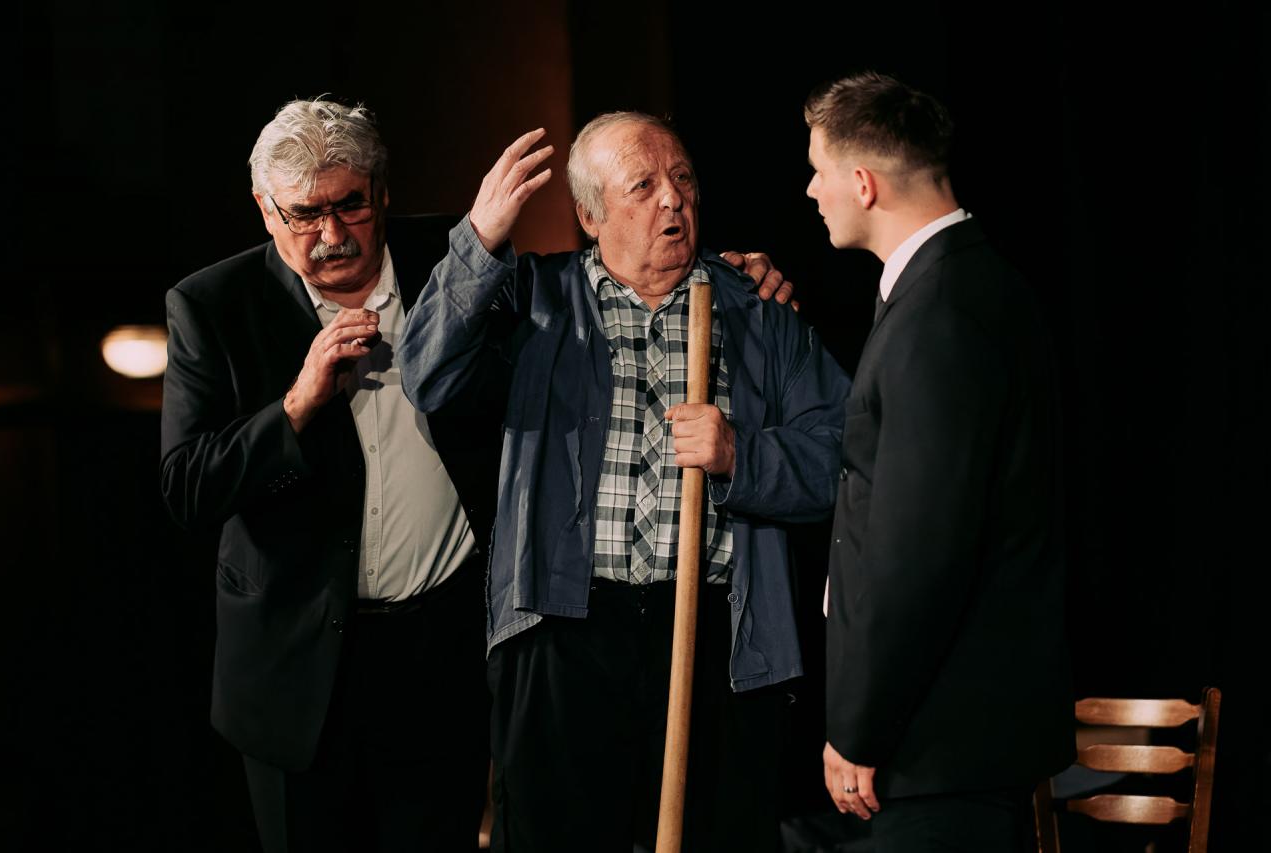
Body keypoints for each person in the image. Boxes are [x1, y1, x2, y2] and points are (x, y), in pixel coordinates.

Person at [398, 113, 850, 852]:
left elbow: (844, 458)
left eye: (684, 179)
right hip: (563, 631)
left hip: (715, 636)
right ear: (590, 216)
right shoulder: (536, 300)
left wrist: (741, 455)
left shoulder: (755, 311)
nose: (673, 199)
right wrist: (477, 242)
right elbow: (427, 374)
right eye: (643, 186)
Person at [159, 97, 502, 852]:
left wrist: (732, 280)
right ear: (265, 209)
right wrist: (298, 405)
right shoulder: (213, 305)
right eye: (305, 214)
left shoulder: (452, 259)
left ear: (383, 190)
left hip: (439, 660)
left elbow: (573, 297)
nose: (332, 234)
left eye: (350, 204)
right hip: (296, 676)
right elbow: (188, 486)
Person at [807, 71, 1073, 851]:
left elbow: (919, 551)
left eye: (819, 170)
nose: (811, 189)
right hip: (952, 742)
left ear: (863, 183)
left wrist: (858, 726)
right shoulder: (967, 285)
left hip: (941, 745)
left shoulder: (941, 312)